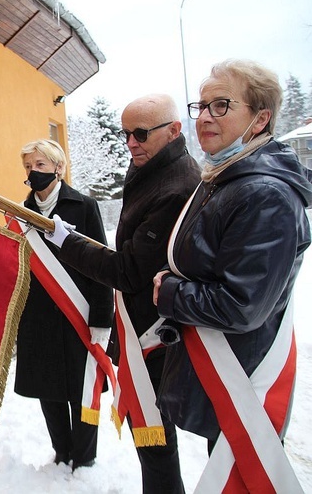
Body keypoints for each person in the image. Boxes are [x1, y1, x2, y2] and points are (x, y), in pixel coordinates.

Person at [152, 60, 311, 489]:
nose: (204, 117)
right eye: (201, 106)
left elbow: (240, 305)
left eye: (221, 105)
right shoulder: (226, 176)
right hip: (221, 370)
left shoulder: (265, 194)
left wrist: (169, 291)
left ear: (260, 119)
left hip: (241, 377)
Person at [45, 94, 201, 493]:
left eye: (141, 133)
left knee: (155, 441)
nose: (131, 142)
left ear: (173, 130)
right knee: (152, 442)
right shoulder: (153, 168)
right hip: (143, 328)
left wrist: (69, 242)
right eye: (126, 133)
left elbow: (128, 271)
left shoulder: (174, 186)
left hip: (154, 337)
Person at [13, 139, 113, 471]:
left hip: (79, 312)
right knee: (48, 387)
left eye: (40, 165)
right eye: (29, 166)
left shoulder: (83, 206)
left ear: (58, 167)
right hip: (38, 317)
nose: (33, 172)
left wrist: (102, 317)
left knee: (82, 387)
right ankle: (61, 453)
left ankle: (84, 459)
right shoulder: (21, 213)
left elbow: (101, 265)